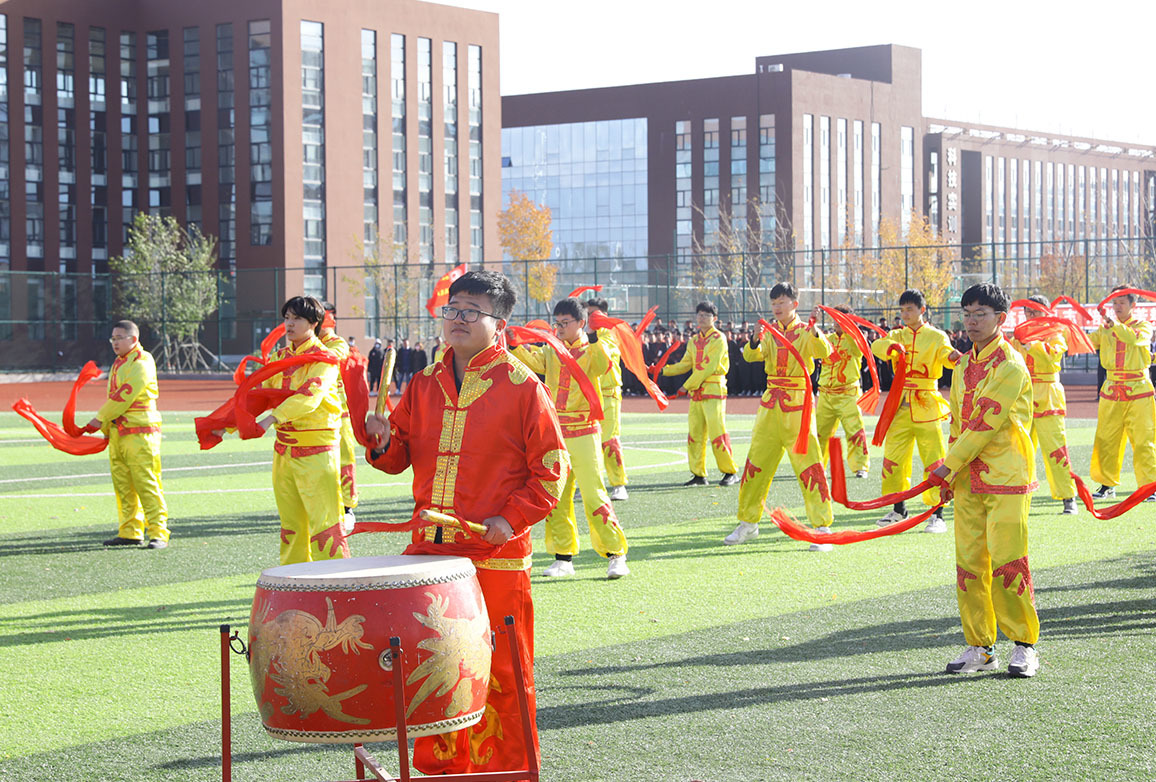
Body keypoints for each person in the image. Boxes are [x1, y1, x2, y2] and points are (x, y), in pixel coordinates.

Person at [364, 270, 568, 777]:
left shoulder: (524, 388)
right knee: (432, 671)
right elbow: (397, 459)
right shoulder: (425, 382)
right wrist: (382, 439)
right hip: (430, 556)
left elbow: (552, 472)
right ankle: (438, 771)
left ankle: (509, 772)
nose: (457, 319)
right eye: (452, 309)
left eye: (471, 311)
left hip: (494, 557)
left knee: (501, 672)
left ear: (499, 323)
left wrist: (510, 518)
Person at [930, 283, 1040, 677]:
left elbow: (984, 423)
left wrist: (946, 465)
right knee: (969, 565)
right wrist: (951, 472)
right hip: (967, 480)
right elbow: (958, 424)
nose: (972, 321)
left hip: (1006, 475)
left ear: (1001, 318)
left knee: (1009, 561)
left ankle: (1024, 645)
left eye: (981, 314)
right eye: (968, 313)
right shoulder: (961, 365)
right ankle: (980, 645)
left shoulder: (1010, 364)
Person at [513, 297, 631, 579]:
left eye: (566, 323)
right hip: (556, 433)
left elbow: (603, 366)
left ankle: (616, 554)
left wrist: (592, 338)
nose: (561, 328)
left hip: (585, 431)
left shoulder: (595, 346)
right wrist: (515, 344)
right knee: (557, 496)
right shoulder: (553, 349)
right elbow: (532, 361)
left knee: (593, 494)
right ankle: (563, 557)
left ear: (581, 323)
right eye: (558, 323)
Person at [723, 283, 835, 552]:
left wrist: (816, 332)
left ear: (794, 304)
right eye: (774, 302)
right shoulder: (770, 332)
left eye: (782, 302)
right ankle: (748, 522)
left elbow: (826, 353)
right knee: (756, 464)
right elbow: (751, 356)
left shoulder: (806, 331)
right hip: (770, 405)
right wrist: (754, 339)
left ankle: (822, 528)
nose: (777, 307)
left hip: (798, 405)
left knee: (809, 465)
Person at [259, 296, 348, 565]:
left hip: (316, 450)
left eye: (297, 318)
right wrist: (225, 423)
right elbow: (261, 395)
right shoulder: (279, 358)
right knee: (290, 523)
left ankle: (335, 581)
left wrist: (271, 418)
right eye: (287, 318)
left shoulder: (324, 358)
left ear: (314, 322)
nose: (289, 324)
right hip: (284, 449)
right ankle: (293, 579)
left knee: (325, 524)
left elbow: (311, 396)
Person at [871, 289, 961, 533]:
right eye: (902, 310)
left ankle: (937, 514)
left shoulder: (936, 336)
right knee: (893, 460)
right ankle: (897, 509)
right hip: (899, 407)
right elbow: (878, 346)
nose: (905, 314)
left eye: (909, 309)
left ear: (922, 310)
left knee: (934, 460)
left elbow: (945, 355)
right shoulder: (896, 334)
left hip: (927, 406)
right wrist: (892, 347)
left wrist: (953, 356)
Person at [89, 320, 170, 549]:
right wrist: (106, 426)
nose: (114, 343)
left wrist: (99, 418)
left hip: (140, 432)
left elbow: (125, 394)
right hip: (119, 432)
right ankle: (130, 531)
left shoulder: (142, 362)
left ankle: (158, 533)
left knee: (147, 482)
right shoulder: (118, 363)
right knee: (123, 485)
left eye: (119, 338)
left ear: (133, 339)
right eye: (112, 339)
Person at [1010, 295, 1077, 514]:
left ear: (1046, 313)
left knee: (1056, 449)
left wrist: (1032, 345)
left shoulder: (1055, 334)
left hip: (1048, 396)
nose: (1030, 316)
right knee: (1020, 450)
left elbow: (1053, 357)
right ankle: (1019, 494)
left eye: (1035, 311)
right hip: (1024, 398)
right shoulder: (1019, 336)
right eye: (1027, 311)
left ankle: (1068, 497)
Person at [1088, 285, 1156, 499]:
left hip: (1139, 390)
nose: (1117, 307)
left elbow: (1134, 339)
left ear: (1133, 305)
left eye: (1121, 303)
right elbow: (1088, 343)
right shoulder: (1105, 327)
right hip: (1112, 390)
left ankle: (1150, 486)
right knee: (1107, 439)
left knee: (1144, 439)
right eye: (1114, 303)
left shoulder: (1144, 326)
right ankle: (1106, 485)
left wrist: (1113, 325)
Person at [661, 301, 739, 486]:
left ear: (715, 318)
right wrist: (661, 370)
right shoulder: (694, 340)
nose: (702, 317)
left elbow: (708, 367)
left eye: (706, 314)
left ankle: (730, 471)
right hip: (697, 392)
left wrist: (685, 387)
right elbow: (685, 363)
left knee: (717, 433)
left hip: (713, 390)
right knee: (695, 434)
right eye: (700, 314)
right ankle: (698, 474)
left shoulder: (719, 339)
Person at [815, 304, 871, 480]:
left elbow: (858, 349)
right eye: (836, 318)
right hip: (826, 394)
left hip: (848, 394)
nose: (838, 323)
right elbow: (816, 346)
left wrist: (851, 331)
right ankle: (818, 466)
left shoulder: (856, 338)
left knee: (855, 431)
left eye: (843, 320)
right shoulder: (827, 338)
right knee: (820, 433)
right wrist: (813, 325)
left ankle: (860, 466)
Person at [319, 302, 359, 532]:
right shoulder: (303, 345)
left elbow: (333, 356)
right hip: (310, 416)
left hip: (337, 412)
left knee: (344, 458)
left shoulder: (335, 344)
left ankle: (347, 507)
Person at [585, 297, 628, 501]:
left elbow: (606, 359)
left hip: (609, 393)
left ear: (603, 315)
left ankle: (618, 484)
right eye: (587, 314)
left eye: (593, 314)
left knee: (609, 440)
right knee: (587, 441)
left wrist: (591, 339)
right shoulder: (584, 335)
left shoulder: (609, 334)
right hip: (589, 394)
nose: (589, 318)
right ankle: (592, 483)